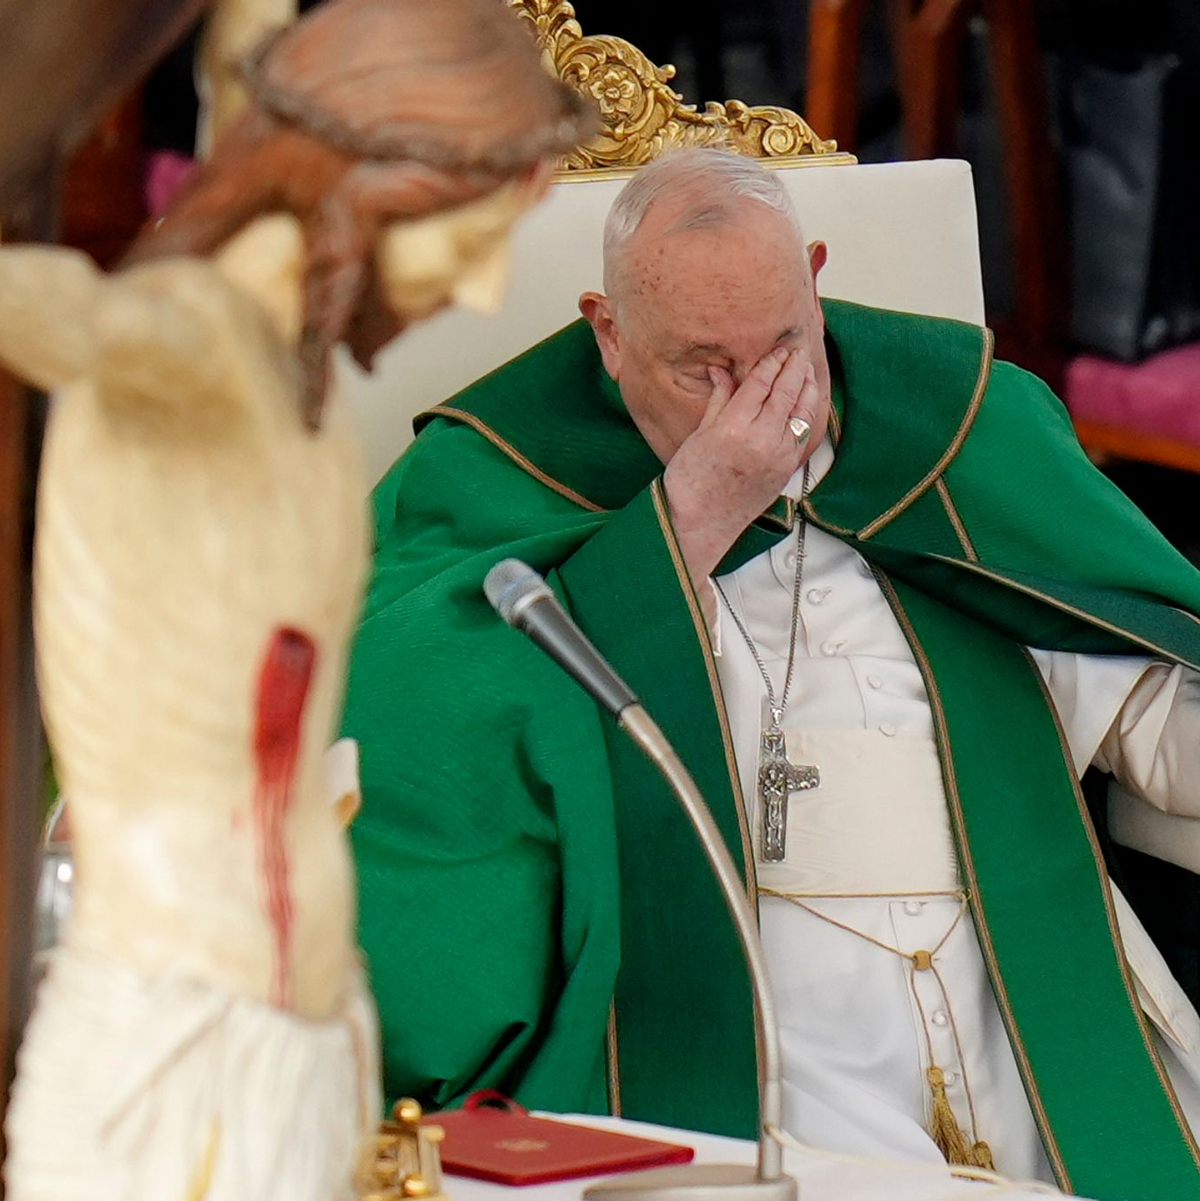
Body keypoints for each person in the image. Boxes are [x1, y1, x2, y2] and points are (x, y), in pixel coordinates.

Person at [343, 148, 1200, 1198]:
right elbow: (423, 714)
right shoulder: (502, 473)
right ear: (608, 334)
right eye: (703, 367)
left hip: (1025, 970)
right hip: (765, 1005)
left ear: (817, 281)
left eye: (784, 348)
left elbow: (1140, 692)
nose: (757, 408)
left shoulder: (957, 441)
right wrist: (686, 523)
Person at [0, 2, 592, 1197]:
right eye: (464, 240)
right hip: (168, 1043)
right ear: (354, 188)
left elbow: (249, 52)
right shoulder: (188, 347)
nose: (482, 297)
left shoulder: (300, 378)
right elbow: (63, 316)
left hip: (317, 1025)